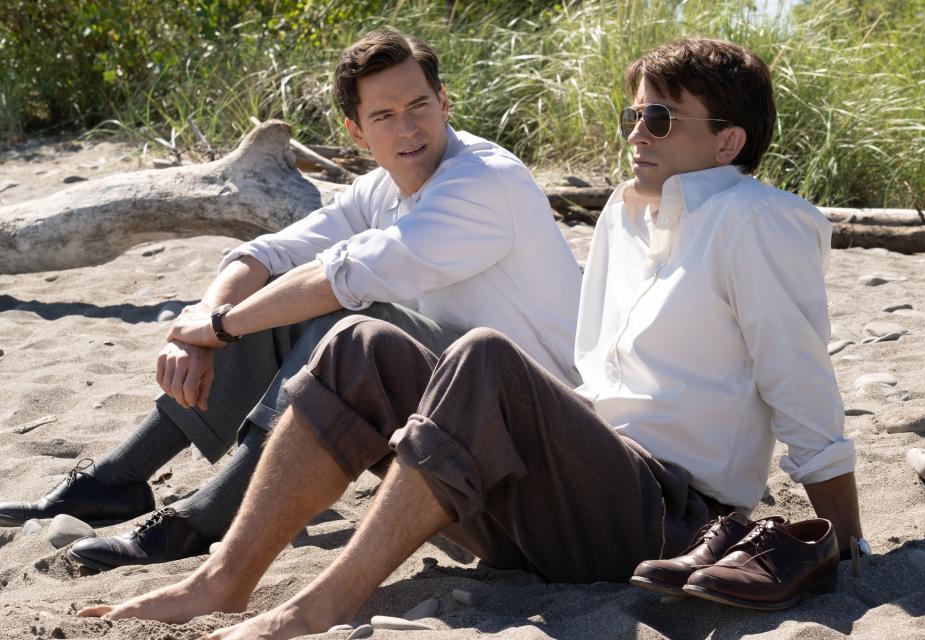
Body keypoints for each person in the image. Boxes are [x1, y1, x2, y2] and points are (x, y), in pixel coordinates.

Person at [78, 36, 864, 638]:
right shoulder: (629, 217)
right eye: (632, 114)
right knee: (359, 344)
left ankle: (328, 600)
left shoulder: (760, 219)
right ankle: (222, 579)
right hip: (573, 493)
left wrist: (845, 540)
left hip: (672, 518)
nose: (636, 133)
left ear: (728, 142)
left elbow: (800, 382)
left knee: (480, 351)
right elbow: (297, 256)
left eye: (659, 118)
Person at [0, 28, 583, 571]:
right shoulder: (382, 188)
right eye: (384, 115)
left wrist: (220, 328)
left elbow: (343, 279)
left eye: (419, 107)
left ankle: (205, 518)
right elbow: (270, 254)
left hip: (532, 435)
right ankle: (119, 477)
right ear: (356, 131)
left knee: (356, 320)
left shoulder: (483, 182)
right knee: (280, 303)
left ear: (445, 103)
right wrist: (204, 321)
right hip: (455, 412)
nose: (408, 129)